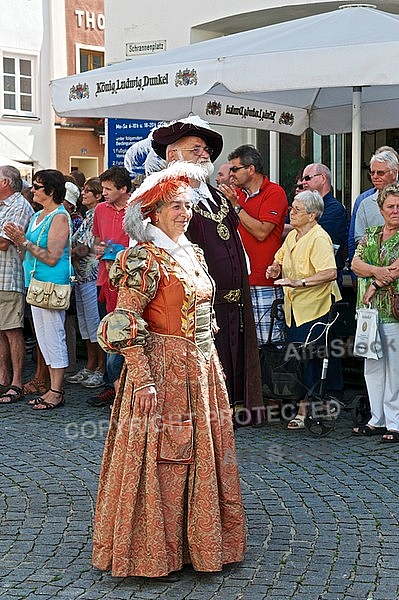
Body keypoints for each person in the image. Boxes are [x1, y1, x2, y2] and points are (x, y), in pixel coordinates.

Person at [92, 161, 246, 580]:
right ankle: (153, 551)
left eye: (186, 205)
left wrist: (211, 361)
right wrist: (142, 378)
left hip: (199, 368)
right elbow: (123, 322)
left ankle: (198, 546)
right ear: (152, 215)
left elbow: (203, 311)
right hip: (161, 371)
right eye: (173, 207)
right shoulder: (143, 258)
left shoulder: (192, 253)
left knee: (200, 454)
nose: (183, 213)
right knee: (165, 457)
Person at [151, 117, 263, 425]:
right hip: (195, 303)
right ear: (173, 156)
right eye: (197, 149)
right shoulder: (167, 198)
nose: (205, 155)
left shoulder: (216, 196)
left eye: (207, 150)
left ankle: (231, 410)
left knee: (232, 356)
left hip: (232, 299)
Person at [266, 190, 341, 430]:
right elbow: (279, 257)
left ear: (312, 215)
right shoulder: (293, 236)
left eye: (296, 210)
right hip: (294, 309)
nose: (291, 212)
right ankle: (302, 405)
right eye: (292, 208)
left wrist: (300, 282)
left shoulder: (319, 238)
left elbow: (330, 272)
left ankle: (304, 409)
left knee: (306, 359)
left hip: (315, 308)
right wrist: (275, 268)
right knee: (298, 359)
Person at [4, 170, 72, 410]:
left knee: (54, 336)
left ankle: (56, 390)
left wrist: (22, 242)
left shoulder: (59, 217)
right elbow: (28, 252)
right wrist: (20, 244)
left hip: (51, 283)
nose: (32, 190)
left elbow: (53, 257)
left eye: (37, 186)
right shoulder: (37, 216)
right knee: (43, 338)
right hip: (35, 282)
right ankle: (51, 387)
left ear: (50, 191)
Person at [222, 144, 288, 346]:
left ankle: (268, 380)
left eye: (235, 169)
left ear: (251, 169)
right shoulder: (239, 195)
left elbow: (261, 232)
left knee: (268, 344)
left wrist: (235, 207)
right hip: (240, 279)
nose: (231, 175)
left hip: (263, 279)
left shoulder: (274, 193)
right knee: (245, 343)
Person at [351, 183, 399, 442]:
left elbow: (397, 268)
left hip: (393, 311)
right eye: (390, 206)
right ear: (380, 209)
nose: (395, 211)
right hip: (368, 311)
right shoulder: (370, 233)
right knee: (372, 365)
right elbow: (355, 264)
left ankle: (395, 422)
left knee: (395, 368)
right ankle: (376, 418)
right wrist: (377, 273)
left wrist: (376, 282)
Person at [88, 166, 131, 407]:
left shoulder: (136, 210)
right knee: (107, 334)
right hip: (104, 279)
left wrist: (118, 252)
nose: (103, 193)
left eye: (107, 189)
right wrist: (98, 249)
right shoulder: (100, 210)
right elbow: (96, 239)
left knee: (123, 334)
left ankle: (121, 386)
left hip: (127, 281)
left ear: (123, 189)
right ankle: (111, 386)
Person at [66, 178, 104, 389]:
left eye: (89, 191)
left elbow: (84, 248)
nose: (84, 194)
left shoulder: (97, 215)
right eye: (83, 190)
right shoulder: (89, 215)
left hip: (92, 276)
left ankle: (100, 368)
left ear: (98, 195)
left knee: (95, 324)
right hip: (82, 278)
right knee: (86, 326)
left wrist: (64, 253)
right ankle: (90, 365)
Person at [0, 165, 34, 404]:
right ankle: (3, 378)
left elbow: (4, 243)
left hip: (9, 277)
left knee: (12, 331)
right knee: (1, 331)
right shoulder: (3, 207)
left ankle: (17, 382)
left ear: (5, 182)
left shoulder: (19, 206)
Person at [299, 163, 348, 290]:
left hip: (326, 279)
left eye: (307, 178)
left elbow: (312, 234)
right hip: (301, 276)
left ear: (323, 178)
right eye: (303, 179)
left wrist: (297, 227)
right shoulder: (301, 206)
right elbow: (289, 228)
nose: (303, 182)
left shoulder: (335, 209)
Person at [354, 150, 399, 245]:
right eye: (372, 172)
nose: (375, 176)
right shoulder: (365, 204)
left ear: (394, 173)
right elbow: (359, 239)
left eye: (380, 173)